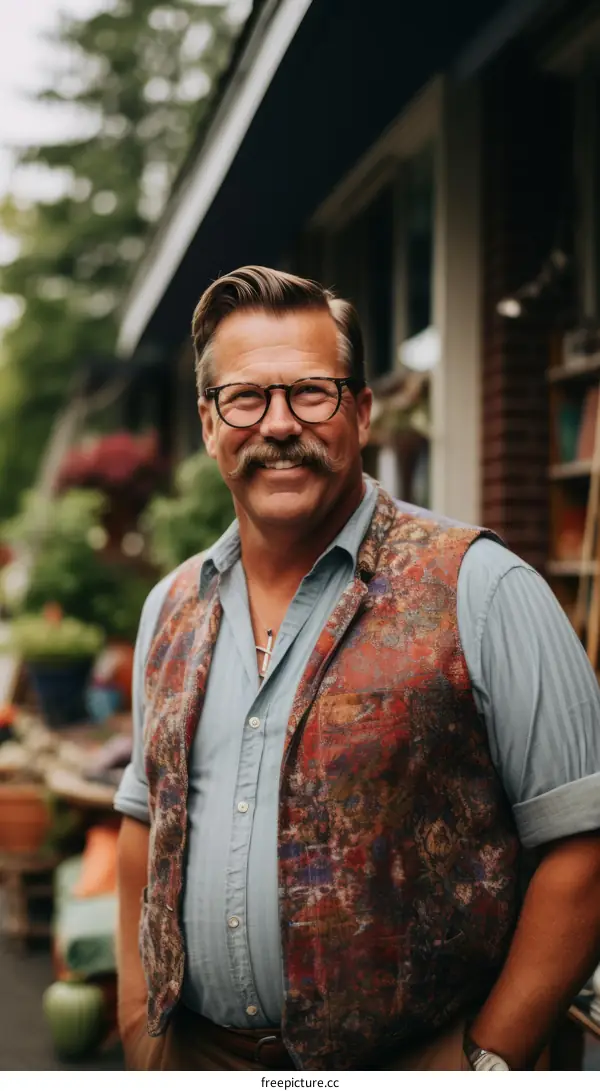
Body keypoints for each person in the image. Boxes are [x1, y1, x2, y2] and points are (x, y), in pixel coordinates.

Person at [115, 265, 600, 1071]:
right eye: (244, 397)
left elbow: (584, 846)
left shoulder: (480, 586)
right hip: (198, 1057)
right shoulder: (171, 607)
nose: (277, 423)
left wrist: (490, 1061)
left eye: (312, 391)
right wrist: (142, 1031)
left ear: (362, 411)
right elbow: (144, 824)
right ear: (209, 422)